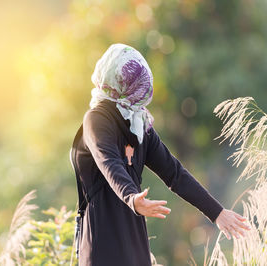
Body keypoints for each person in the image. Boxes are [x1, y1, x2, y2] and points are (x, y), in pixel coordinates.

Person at [71, 43, 251, 265]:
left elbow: (175, 174)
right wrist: (132, 198)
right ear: (118, 83)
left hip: (134, 243)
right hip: (102, 244)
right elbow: (109, 162)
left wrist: (217, 213)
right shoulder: (96, 119)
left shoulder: (139, 124)